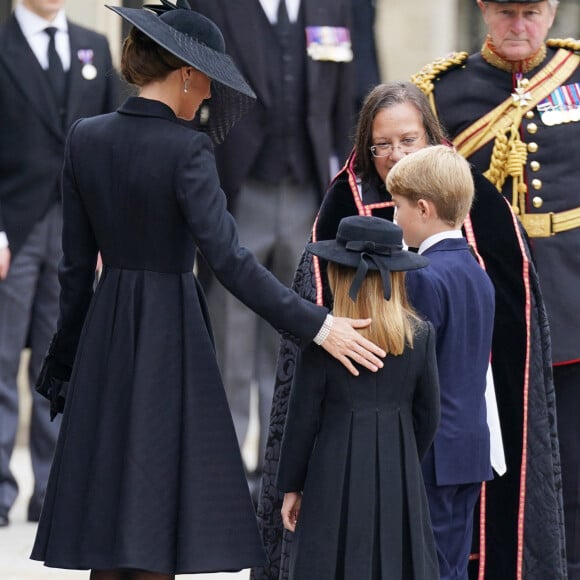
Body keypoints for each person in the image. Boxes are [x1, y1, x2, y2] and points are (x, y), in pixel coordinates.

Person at [29, 3, 385, 579]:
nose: (211, 97)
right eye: (210, 81)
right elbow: (232, 262)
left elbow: (75, 272)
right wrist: (317, 323)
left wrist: (66, 362)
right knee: (157, 519)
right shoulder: (188, 151)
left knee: (111, 525)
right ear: (188, 74)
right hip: (170, 337)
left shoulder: (85, 138)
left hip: (105, 341)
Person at [251, 81, 562, 580]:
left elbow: (435, 368)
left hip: (416, 449)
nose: (394, 155)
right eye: (382, 144)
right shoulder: (345, 204)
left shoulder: (443, 255)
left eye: (408, 141)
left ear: (432, 142)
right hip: (456, 450)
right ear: (365, 146)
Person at [411, 1, 575, 577]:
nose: (519, 25)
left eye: (531, 11)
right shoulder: (441, 93)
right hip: (490, 304)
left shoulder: (576, 76)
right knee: (493, 463)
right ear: (483, 9)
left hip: (574, 297)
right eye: (506, 11)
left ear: (552, 11)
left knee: (573, 463)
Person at [186, 0, 355, 500]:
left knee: (295, 329)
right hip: (239, 184)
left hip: (308, 187)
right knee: (232, 332)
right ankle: (225, 462)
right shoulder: (217, 6)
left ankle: (279, 462)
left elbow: (343, 96)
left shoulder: (333, 6)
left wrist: (343, 185)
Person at [0, 0, 119, 528]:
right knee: (1, 362)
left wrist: (104, 229)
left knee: (60, 358)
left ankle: (52, 492)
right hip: (12, 229)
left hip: (75, 232)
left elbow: (110, 142)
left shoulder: (94, 46)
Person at [277, 215, 440, 579]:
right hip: (399, 474)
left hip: (331, 475)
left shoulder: (324, 341)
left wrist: (291, 486)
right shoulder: (420, 336)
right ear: (397, 276)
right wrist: (403, 458)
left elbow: (302, 419)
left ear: (338, 275)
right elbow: (429, 416)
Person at [387, 145, 495, 580]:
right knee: (451, 563)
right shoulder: (476, 271)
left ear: (424, 209)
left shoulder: (423, 275)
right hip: (470, 448)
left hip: (433, 452)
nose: (395, 219)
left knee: (428, 566)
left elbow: (415, 373)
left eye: (398, 207)